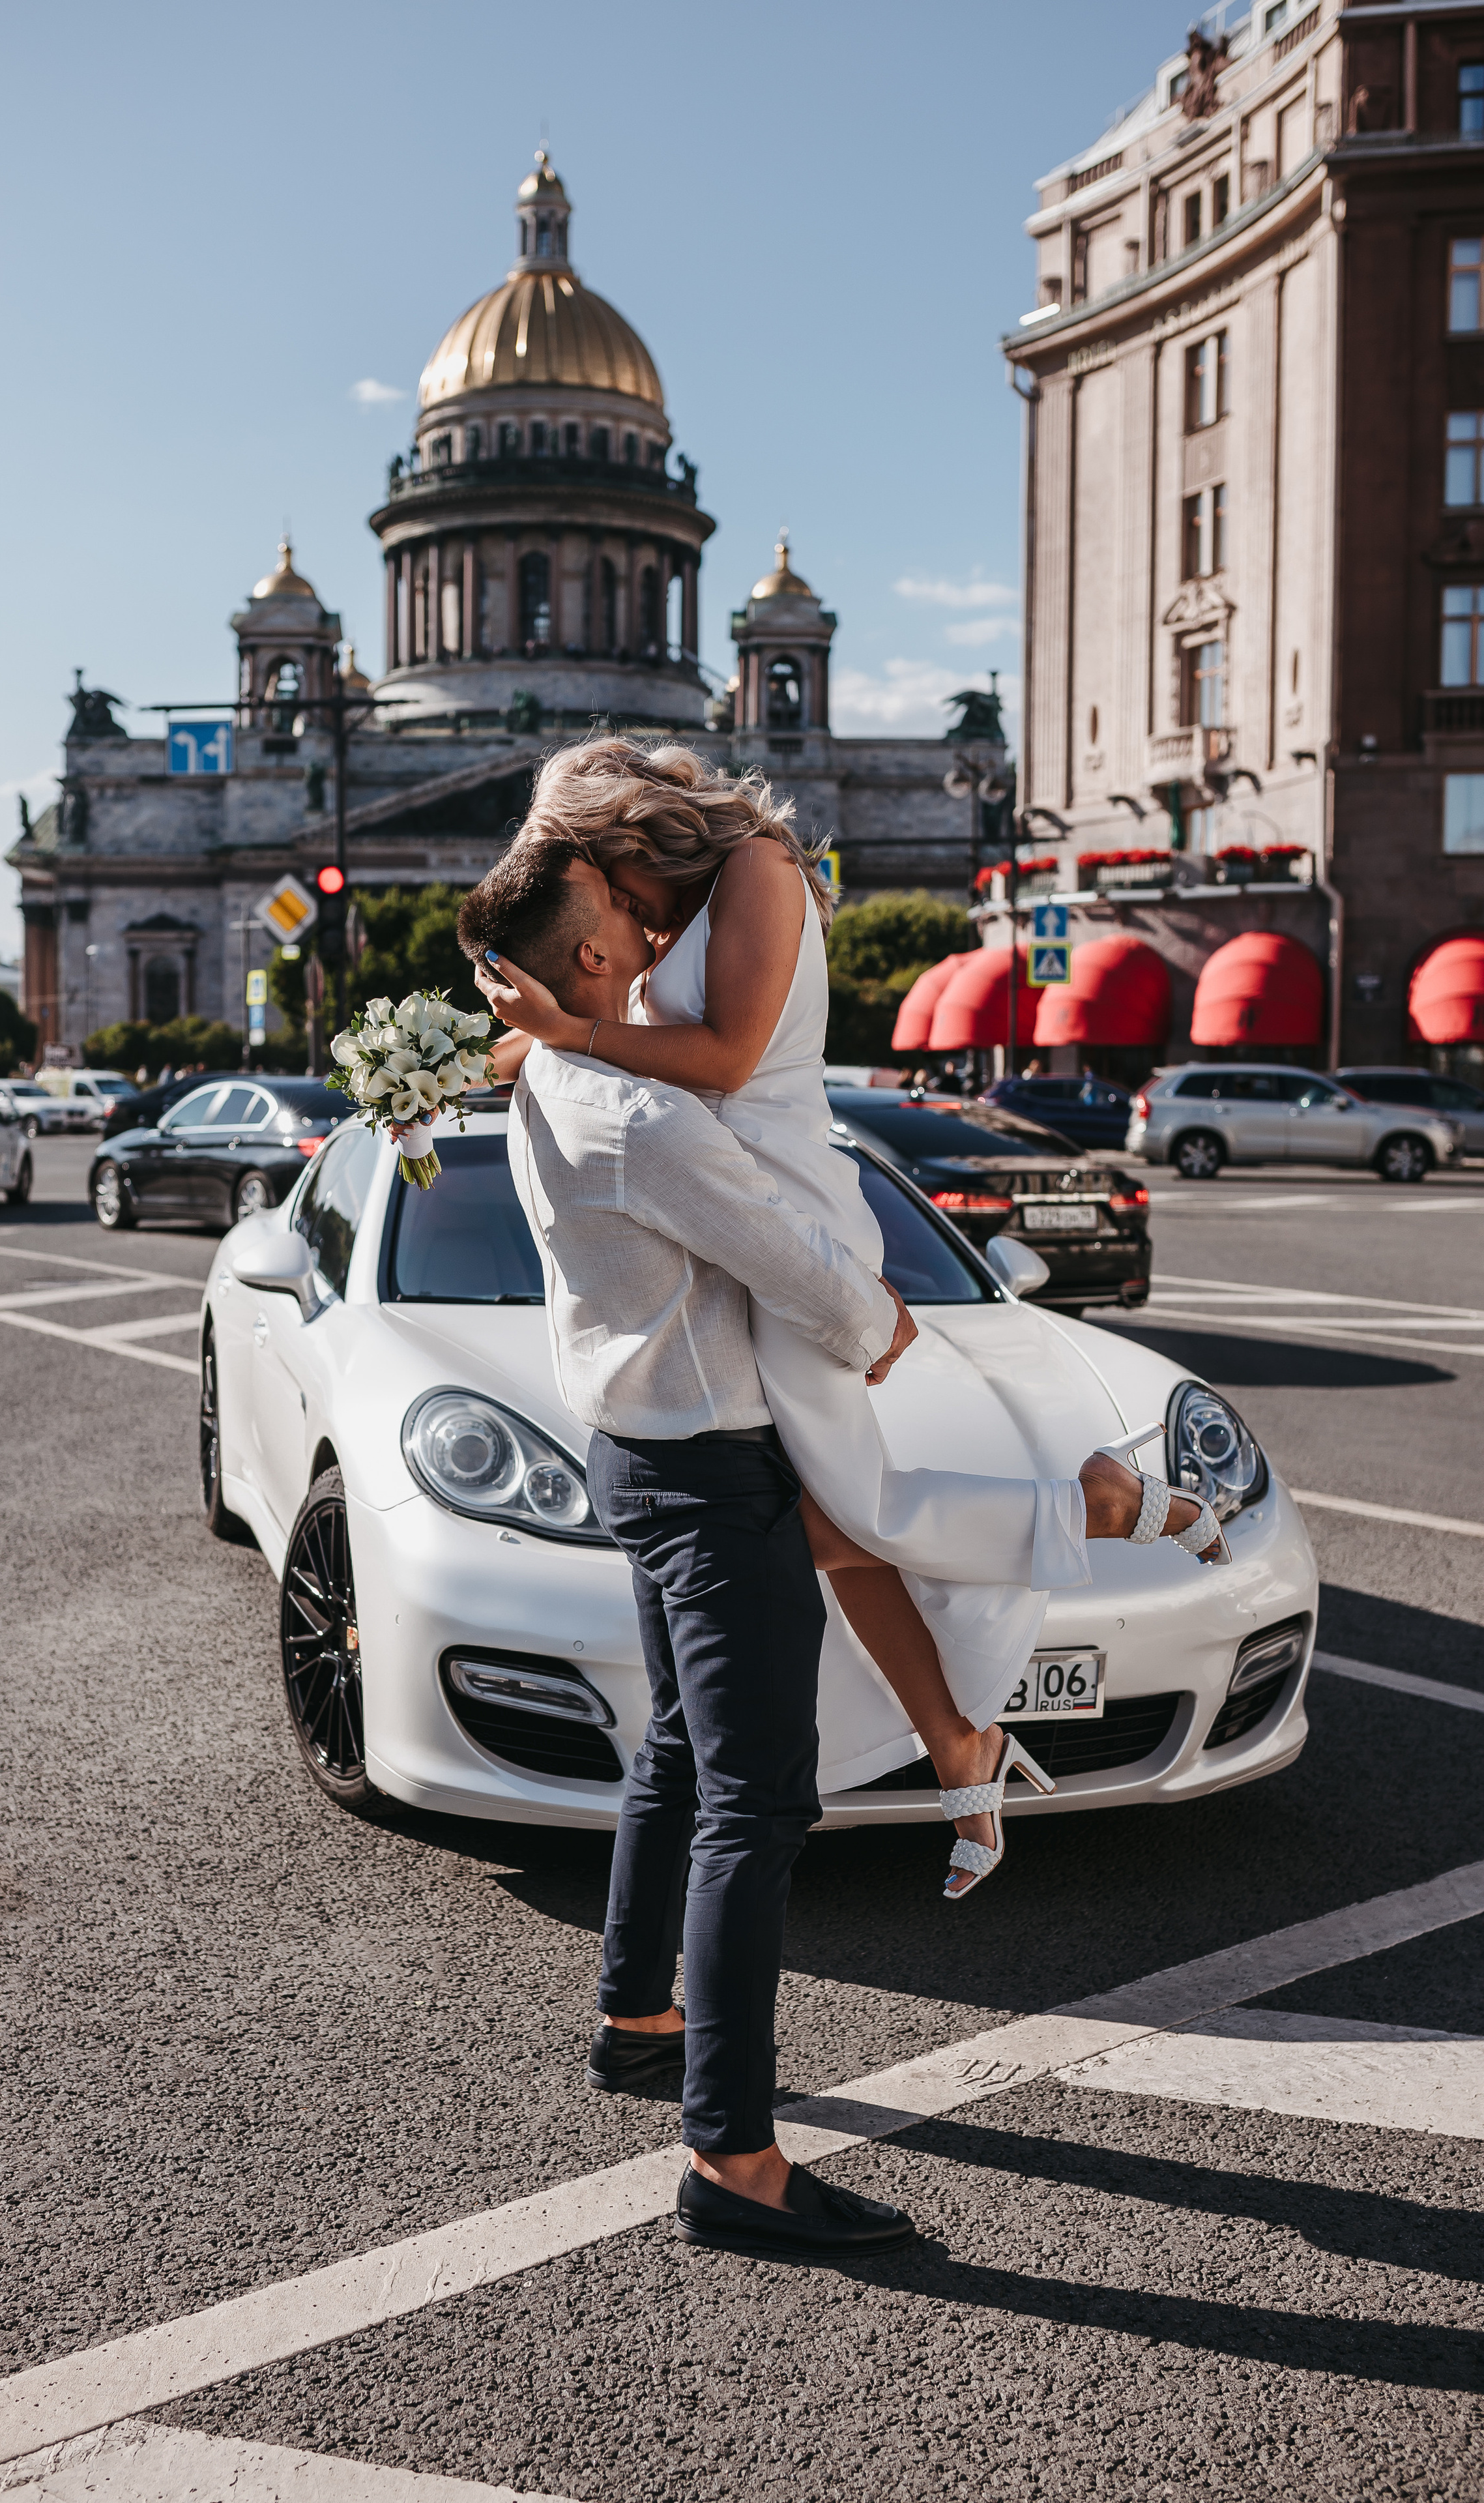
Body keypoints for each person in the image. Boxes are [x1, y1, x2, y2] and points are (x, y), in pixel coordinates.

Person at [473, 739, 1221, 1900]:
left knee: (849, 1511)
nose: (614, 907)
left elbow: (718, 1060)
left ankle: (1102, 1505)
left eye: (604, 874)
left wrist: (572, 1036)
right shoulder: (672, 918)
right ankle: (961, 1748)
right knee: (828, 1520)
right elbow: (611, 1035)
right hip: (744, 1224)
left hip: (789, 1226)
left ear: (634, 827)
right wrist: (439, 1064)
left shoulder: (761, 869)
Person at [457, 840, 920, 2262]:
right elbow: (798, 1270)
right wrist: (882, 1328)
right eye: (630, 912)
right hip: (712, 1477)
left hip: (634, 1457)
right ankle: (733, 2158)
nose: (658, 920)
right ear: (591, 959)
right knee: (759, 1806)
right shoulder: (636, 1116)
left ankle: (635, 2019)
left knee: (674, 1752)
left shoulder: (550, 1074)